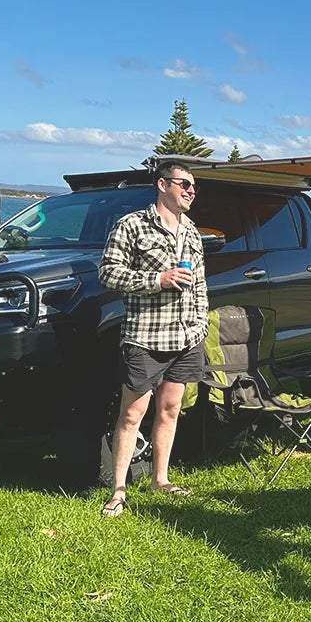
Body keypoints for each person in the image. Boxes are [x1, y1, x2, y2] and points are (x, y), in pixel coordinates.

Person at [95, 160, 208, 517]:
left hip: (186, 335)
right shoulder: (132, 225)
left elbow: (201, 284)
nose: (190, 192)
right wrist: (156, 280)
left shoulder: (192, 231)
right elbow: (108, 274)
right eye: (184, 184)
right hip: (146, 336)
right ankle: (118, 490)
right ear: (162, 185)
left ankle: (161, 479)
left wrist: (201, 322)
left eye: (193, 187)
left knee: (171, 409)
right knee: (132, 413)